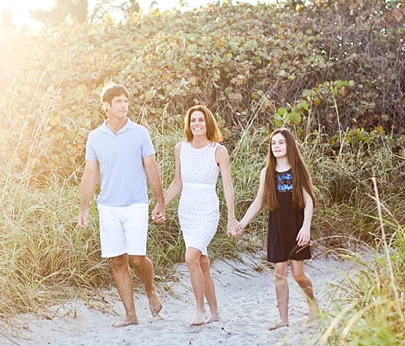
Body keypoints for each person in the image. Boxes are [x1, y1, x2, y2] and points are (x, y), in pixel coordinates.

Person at [78, 83, 166, 327]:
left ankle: (150, 289)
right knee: (118, 260)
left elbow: (151, 168)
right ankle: (130, 315)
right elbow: (90, 174)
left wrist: (160, 202)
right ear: (106, 106)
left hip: (136, 204)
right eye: (118, 101)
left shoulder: (140, 133)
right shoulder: (96, 137)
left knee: (137, 259)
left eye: (126, 101)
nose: (124, 105)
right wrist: (83, 208)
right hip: (108, 206)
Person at [234, 128, 319, 330]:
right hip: (277, 227)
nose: (277, 146)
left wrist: (306, 227)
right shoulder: (267, 173)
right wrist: (241, 224)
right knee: (279, 272)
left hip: (297, 227)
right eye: (273, 143)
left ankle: (312, 304)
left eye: (281, 143)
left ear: (289, 145)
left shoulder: (298, 169)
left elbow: (308, 201)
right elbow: (259, 202)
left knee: (298, 274)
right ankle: (283, 319)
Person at [163, 105, 239, 326]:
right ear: (188, 124)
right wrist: (161, 205)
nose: (196, 124)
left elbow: (227, 186)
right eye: (193, 120)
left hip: (207, 211)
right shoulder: (181, 148)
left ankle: (199, 310)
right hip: (187, 211)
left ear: (208, 123)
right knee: (202, 262)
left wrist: (231, 217)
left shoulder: (218, 151)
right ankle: (214, 313)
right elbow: (177, 182)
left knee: (190, 258)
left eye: (200, 120)